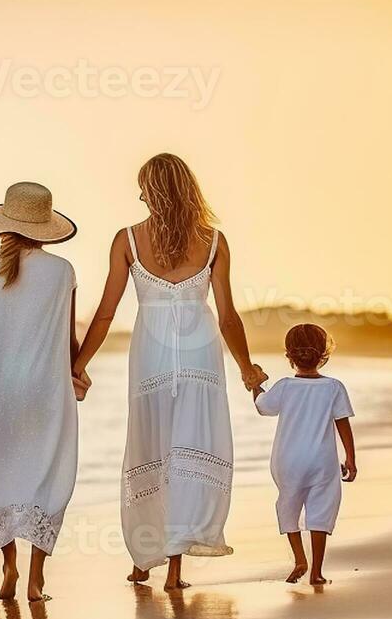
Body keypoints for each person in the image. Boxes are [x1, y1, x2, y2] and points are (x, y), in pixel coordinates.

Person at [72, 153, 267, 591]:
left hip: (151, 363)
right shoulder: (213, 241)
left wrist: (78, 365)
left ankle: (145, 559)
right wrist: (246, 369)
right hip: (201, 364)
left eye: (143, 186)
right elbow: (228, 317)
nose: (139, 193)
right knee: (187, 451)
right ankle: (173, 570)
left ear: (156, 190)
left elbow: (105, 313)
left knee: (151, 449)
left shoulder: (127, 239)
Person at [0, 182, 83, 603]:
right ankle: (36, 579)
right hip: (45, 390)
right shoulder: (62, 271)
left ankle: (8, 564)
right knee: (47, 474)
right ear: (45, 226)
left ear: (3, 223)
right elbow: (67, 337)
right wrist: (80, 371)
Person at [253, 323, 357, 586]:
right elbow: (342, 423)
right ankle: (316, 572)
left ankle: (300, 558)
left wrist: (255, 384)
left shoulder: (285, 386)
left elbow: (263, 407)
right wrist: (351, 460)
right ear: (324, 353)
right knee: (320, 510)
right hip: (322, 460)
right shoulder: (334, 387)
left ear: (289, 355)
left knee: (289, 503)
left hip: (288, 460)